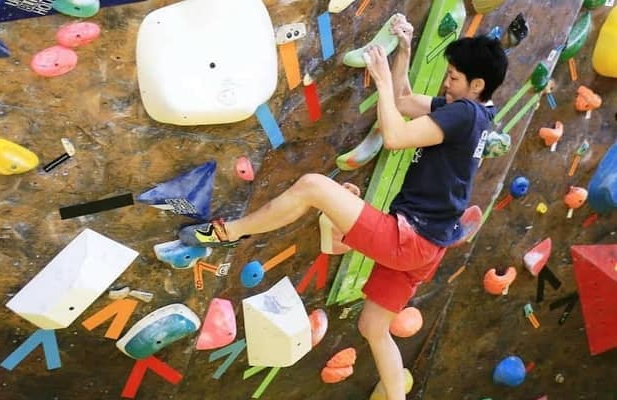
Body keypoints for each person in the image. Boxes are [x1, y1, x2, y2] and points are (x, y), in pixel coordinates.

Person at [179, 14, 508, 400]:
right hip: (428, 247)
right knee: (373, 328)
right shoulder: (476, 113)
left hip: (410, 239)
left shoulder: (463, 112)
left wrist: (381, 79)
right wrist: (404, 50)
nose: (445, 83)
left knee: (313, 187)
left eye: (453, 77)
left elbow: (395, 136)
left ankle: (226, 232)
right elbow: (404, 101)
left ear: (477, 84)